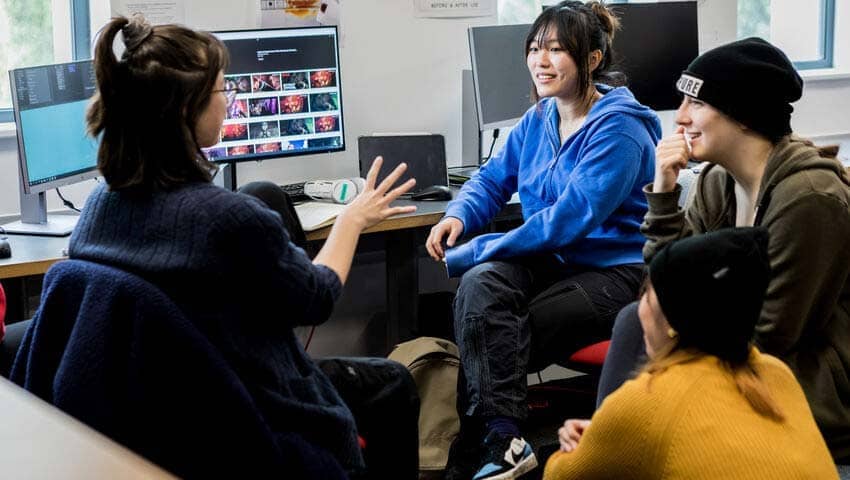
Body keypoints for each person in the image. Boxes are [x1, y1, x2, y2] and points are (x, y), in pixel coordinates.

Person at [71, 15, 420, 478]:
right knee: (393, 382)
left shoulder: (98, 207)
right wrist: (352, 219)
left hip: (156, 414)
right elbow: (317, 297)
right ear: (185, 111)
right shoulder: (228, 218)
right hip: (240, 411)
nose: (230, 103)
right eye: (222, 91)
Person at [424, 2, 661, 479]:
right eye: (534, 49)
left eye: (556, 49)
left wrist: (475, 249)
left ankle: (486, 444)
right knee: (481, 288)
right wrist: (459, 216)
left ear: (592, 60)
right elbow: (490, 180)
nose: (541, 61)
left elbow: (566, 220)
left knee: (507, 326)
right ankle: (504, 440)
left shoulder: (620, 128)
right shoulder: (538, 120)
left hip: (615, 270)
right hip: (553, 260)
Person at [596, 37, 850, 464]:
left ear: (744, 116)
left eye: (695, 103)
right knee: (632, 323)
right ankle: (614, 453)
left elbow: (770, 339)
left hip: (807, 382)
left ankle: (615, 453)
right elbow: (661, 294)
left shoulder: (811, 197)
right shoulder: (717, 181)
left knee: (649, 377)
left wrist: (672, 372)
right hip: (738, 358)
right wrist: (663, 193)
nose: (679, 118)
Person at [544, 227, 838, 479]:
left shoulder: (647, 400)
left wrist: (581, 445)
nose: (639, 308)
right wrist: (611, 434)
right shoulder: (775, 372)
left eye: (646, 293)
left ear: (673, 322)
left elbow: (560, 475)